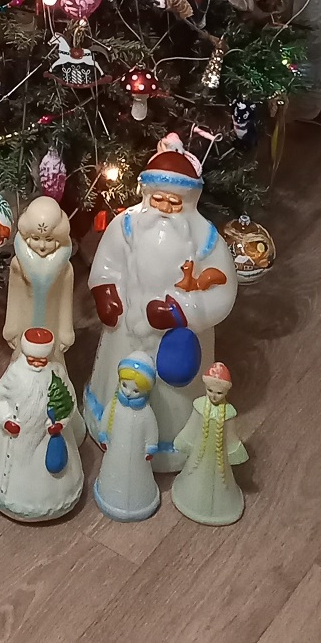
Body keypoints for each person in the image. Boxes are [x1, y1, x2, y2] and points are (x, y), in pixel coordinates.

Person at [85, 139, 237, 471]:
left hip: (176, 338)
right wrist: (106, 291)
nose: (165, 208)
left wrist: (181, 312)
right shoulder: (127, 226)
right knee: (116, 373)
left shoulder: (206, 239)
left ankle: (171, 442)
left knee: (174, 394)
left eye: (174, 201)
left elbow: (222, 292)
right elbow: (107, 263)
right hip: (126, 326)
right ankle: (110, 424)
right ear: (147, 194)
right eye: (158, 199)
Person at [0, 328, 85, 522]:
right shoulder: (15, 373)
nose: (37, 364)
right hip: (17, 438)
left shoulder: (57, 373)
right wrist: (6, 419)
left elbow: (69, 401)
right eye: (33, 360)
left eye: (42, 360)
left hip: (48, 437)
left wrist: (61, 422)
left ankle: (53, 502)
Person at [3, 197, 75, 381]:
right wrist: (11, 326)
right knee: (21, 361)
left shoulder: (65, 268)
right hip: (24, 322)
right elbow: (14, 296)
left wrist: (66, 330)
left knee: (53, 362)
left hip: (52, 324)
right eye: (35, 238)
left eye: (49, 239)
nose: (42, 246)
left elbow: (66, 299)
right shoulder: (18, 264)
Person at [171, 363, 248, 525]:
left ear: (226, 392)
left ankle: (219, 507)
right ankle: (191, 497)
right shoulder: (199, 406)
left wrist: (235, 451)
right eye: (210, 390)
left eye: (219, 392)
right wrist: (184, 440)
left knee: (220, 477)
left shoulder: (228, 413)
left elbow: (231, 436)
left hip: (219, 459)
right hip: (200, 454)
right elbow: (192, 426)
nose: (214, 396)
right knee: (197, 471)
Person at [93, 355, 160, 522]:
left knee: (138, 476)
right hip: (116, 451)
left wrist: (151, 446)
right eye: (124, 385)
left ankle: (141, 501)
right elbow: (106, 419)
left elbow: (151, 429)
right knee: (114, 471)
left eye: (135, 390)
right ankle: (109, 496)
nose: (128, 393)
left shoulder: (146, 412)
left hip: (138, 457)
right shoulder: (114, 405)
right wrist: (103, 434)